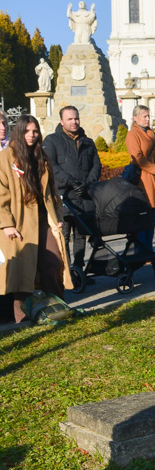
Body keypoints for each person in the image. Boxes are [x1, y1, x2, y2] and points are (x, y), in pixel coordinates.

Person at [0, 116, 72, 324]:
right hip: (18, 224)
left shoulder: (42, 156)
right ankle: (22, 321)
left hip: (43, 220)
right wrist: (6, 224)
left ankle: (57, 310)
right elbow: (1, 193)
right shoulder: (6, 158)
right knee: (22, 274)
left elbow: (51, 191)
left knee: (53, 264)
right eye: (27, 131)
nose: (32, 135)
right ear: (19, 133)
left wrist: (56, 217)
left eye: (35, 131)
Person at [43, 105, 102, 271]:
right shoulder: (52, 141)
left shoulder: (87, 142)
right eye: (69, 119)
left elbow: (96, 165)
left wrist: (87, 183)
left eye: (76, 118)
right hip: (64, 196)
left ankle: (78, 270)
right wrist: (71, 182)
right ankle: (66, 273)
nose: (74, 122)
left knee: (81, 235)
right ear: (62, 121)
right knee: (64, 235)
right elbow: (51, 165)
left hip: (84, 195)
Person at [126, 105, 155, 251]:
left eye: (148, 116)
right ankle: (141, 250)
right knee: (143, 217)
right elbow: (136, 157)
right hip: (143, 180)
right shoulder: (133, 134)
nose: (148, 119)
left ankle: (148, 249)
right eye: (144, 116)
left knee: (152, 217)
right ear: (135, 118)